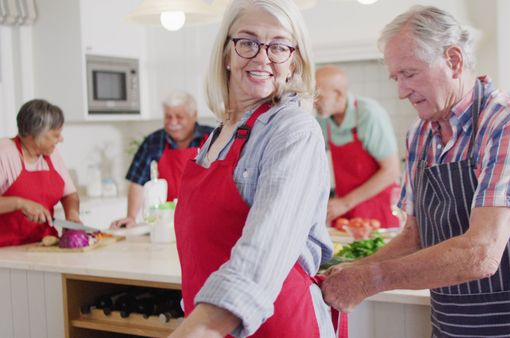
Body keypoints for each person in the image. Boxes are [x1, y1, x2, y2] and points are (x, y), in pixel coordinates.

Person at [321, 5, 510, 337]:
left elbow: (481, 253)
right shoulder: (420, 134)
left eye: (410, 73)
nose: (401, 91)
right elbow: (414, 238)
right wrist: (352, 270)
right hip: (454, 324)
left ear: (454, 60)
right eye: (395, 77)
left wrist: (368, 279)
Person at [168, 0, 342, 337]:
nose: (262, 57)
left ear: (294, 62)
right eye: (247, 42)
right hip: (216, 325)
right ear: (226, 54)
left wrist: (197, 330)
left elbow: (261, 256)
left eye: (278, 46)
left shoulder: (294, 132)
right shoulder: (218, 135)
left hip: (276, 325)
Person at [111, 91, 214, 228]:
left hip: (207, 220)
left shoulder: (213, 139)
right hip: (167, 222)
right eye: (168, 117)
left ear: (193, 116)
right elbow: (138, 182)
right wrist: (131, 217)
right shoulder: (153, 141)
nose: (173, 122)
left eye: (179, 117)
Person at [315, 65, 401, 228]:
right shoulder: (323, 120)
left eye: (318, 96)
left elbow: (392, 171)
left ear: (338, 94)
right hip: (346, 210)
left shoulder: (369, 114)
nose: (314, 102)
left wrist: (346, 203)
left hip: (379, 209)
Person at [0, 99, 81, 247]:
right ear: (33, 135)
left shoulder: (51, 154)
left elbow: (69, 194)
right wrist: (19, 203)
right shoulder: (4, 152)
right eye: (56, 135)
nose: (61, 139)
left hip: (45, 245)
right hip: (6, 251)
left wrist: (72, 214)